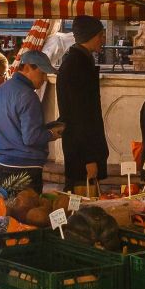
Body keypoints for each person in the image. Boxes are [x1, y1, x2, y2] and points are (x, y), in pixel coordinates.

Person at [0, 51, 61, 191]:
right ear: (27, 68)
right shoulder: (28, 96)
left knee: (7, 205)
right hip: (26, 167)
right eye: (42, 73)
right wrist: (52, 134)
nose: (45, 78)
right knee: (27, 205)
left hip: (3, 163)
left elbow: (13, 127)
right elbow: (31, 138)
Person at [55, 16, 108, 192]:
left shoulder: (78, 62)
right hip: (82, 156)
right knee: (82, 200)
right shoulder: (76, 66)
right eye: (100, 35)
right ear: (90, 36)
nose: (103, 40)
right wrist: (89, 158)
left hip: (80, 152)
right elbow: (80, 116)